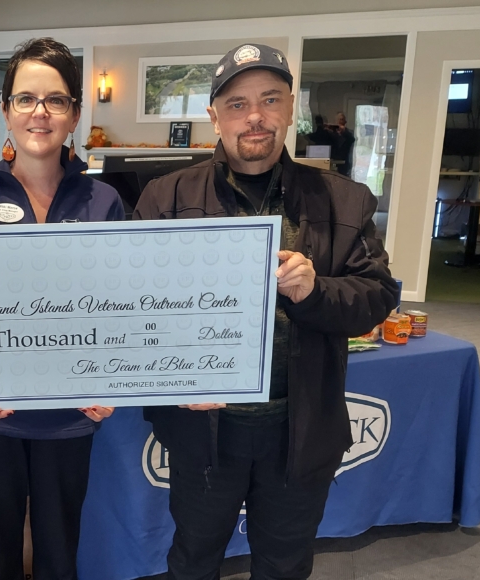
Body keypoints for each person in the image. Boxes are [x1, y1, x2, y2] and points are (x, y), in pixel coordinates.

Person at [134, 43, 398, 580]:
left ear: (290, 108)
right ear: (214, 117)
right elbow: (131, 312)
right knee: (192, 560)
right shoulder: (165, 199)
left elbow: (377, 297)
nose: (254, 116)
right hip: (204, 433)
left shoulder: (345, 201)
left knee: (284, 564)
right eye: (236, 103)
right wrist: (171, 379)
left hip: (298, 431)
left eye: (269, 99)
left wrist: (315, 291)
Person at [0, 37, 123, 580]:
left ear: (74, 115)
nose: (39, 112)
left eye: (55, 100)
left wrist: (112, 381)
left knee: (59, 554)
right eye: (25, 99)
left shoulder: (104, 202)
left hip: (70, 415)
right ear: (5, 110)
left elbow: (118, 310)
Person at [331, 111, 356, 177]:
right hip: (332, 162)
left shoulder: (349, 133)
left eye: (342, 119)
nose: (340, 121)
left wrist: (344, 131)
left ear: (345, 122)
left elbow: (352, 140)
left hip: (345, 163)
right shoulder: (331, 133)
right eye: (339, 119)